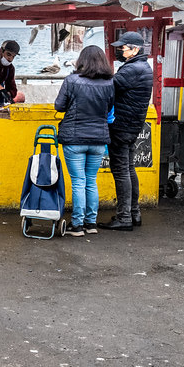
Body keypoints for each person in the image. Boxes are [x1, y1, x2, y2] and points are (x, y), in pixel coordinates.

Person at [53, 46, 115, 236]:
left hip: (74, 139)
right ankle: (91, 223)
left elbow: (59, 106)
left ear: (82, 60)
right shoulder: (110, 83)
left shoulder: (72, 80)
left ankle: (77, 225)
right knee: (91, 181)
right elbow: (110, 107)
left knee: (78, 182)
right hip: (98, 140)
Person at [99, 31, 153, 231]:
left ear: (135, 49)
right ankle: (134, 213)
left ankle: (124, 217)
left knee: (121, 170)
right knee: (129, 169)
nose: (120, 51)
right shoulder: (142, 67)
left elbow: (108, 88)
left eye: (123, 48)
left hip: (122, 125)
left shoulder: (132, 69)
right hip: (133, 125)